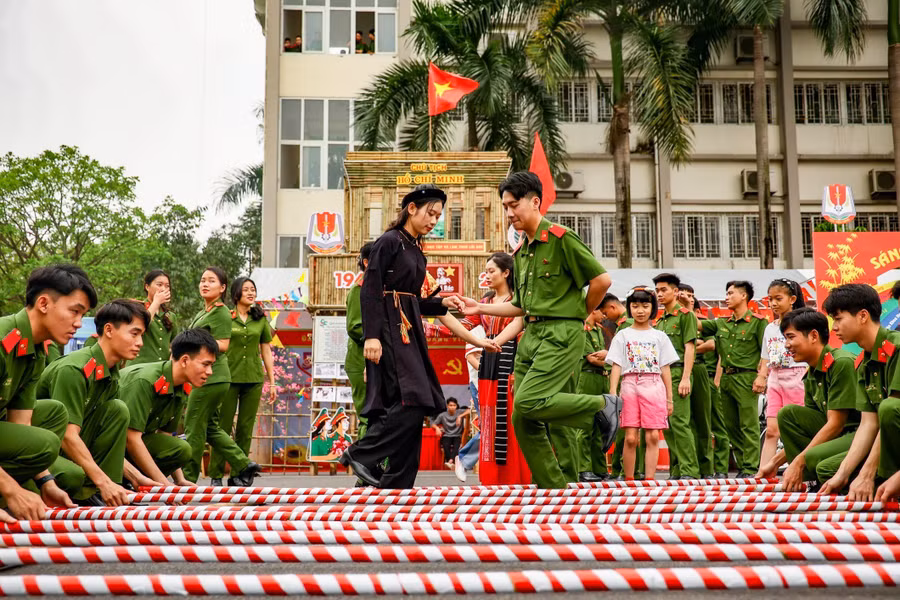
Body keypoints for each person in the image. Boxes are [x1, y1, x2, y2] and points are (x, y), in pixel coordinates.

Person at [457, 172, 617, 489]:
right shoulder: (522, 253)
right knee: (522, 417)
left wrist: (578, 314)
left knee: (529, 402)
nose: (509, 213)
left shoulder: (560, 239)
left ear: (535, 201)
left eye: (514, 205)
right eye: (505, 207)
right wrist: (480, 308)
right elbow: (520, 305)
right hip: (531, 335)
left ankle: (603, 406)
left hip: (560, 334)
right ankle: (553, 488)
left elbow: (601, 281)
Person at [337, 185, 467, 489]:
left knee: (415, 403)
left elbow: (414, 301)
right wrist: (372, 336)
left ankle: (397, 483)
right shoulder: (389, 241)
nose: (434, 221)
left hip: (407, 328)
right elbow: (371, 288)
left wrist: (443, 302)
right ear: (412, 208)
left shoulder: (416, 248)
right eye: (430, 213)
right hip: (388, 329)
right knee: (413, 399)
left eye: (438, 216)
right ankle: (362, 455)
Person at [0, 265, 96, 522]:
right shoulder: (2, 340)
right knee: (45, 444)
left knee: (54, 414)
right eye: (74, 311)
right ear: (43, 303)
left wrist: (46, 482)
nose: (78, 323)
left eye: (83, 314)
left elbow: (21, 424)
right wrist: (11, 491)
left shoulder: (35, 351)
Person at [40, 300, 149, 506]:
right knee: (72, 476)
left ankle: (104, 493)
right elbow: (67, 436)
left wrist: (136, 478)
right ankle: (86, 492)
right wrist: (102, 481)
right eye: (134, 334)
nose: (140, 343)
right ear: (108, 330)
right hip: (42, 452)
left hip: (67, 448)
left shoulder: (110, 373)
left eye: (142, 335)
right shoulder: (74, 369)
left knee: (117, 409)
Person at [436, 253, 528, 485]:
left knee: (512, 422)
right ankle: (492, 477)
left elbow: (524, 338)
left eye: (491, 271)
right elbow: (460, 328)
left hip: (513, 365)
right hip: (488, 368)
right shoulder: (484, 305)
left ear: (506, 273)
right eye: (485, 271)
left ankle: (514, 477)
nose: (486, 275)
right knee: (489, 423)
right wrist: (430, 326)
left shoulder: (519, 301)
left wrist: (519, 371)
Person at [754, 308, 860, 488]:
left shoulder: (841, 363)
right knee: (788, 414)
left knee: (822, 466)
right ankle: (809, 479)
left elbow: (835, 424)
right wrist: (775, 462)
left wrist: (798, 462)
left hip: (857, 435)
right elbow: (815, 423)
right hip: (839, 436)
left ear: (813, 336)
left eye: (790, 337)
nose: (786, 345)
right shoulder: (812, 371)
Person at [818, 284, 900, 500]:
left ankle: (884, 482)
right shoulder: (863, 362)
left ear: (863, 316)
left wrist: (866, 473)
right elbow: (869, 423)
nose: (834, 327)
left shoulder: (897, 348)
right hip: (888, 442)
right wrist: (843, 474)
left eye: (838, 319)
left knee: (890, 407)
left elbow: (891, 414)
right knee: (829, 471)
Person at [182, 267, 260, 486]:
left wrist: (192, 342)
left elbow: (224, 345)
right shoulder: (204, 312)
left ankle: (188, 479)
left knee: (194, 426)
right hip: (208, 376)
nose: (205, 284)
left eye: (211, 281)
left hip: (211, 375)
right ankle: (243, 463)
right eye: (202, 280)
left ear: (223, 287)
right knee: (211, 428)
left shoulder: (221, 312)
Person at [120, 330, 216, 488]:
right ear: (185, 360)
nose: (210, 372)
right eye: (205, 364)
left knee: (180, 449)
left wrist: (179, 480)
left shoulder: (180, 388)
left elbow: (164, 437)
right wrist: (164, 486)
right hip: (104, 445)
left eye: (211, 365)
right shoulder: (145, 381)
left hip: (127, 446)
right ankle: (121, 482)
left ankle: (131, 482)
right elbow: (131, 438)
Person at [207, 277, 275, 487]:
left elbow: (266, 350)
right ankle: (216, 474)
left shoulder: (260, 318)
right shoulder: (226, 316)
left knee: (246, 428)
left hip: (253, 378)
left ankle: (240, 473)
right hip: (229, 378)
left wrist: (272, 381)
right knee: (223, 427)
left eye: (253, 289)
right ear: (236, 293)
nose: (250, 293)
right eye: (246, 289)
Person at [606, 286, 677, 481]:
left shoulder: (659, 336)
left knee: (653, 436)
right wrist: (613, 394)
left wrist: (669, 399)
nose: (640, 310)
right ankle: (629, 480)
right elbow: (617, 366)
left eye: (645, 306)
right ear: (629, 308)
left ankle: (650, 480)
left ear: (652, 307)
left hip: (653, 385)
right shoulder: (622, 335)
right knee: (630, 437)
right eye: (635, 306)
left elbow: (665, 368)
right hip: (629, 385)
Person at [699, 281, 767, 477]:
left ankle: (751, 467)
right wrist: (684, 305)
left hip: (746, 377)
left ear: (744, 296)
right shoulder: (722, 323)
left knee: (749, 424)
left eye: (730, 293)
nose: (726, 297)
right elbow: (698, 324)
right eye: (726, 293)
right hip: (727, 378)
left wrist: (761, 376)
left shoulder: (758, 322)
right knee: (730, 425)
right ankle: (743, 463)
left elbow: (766, 351)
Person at [652, 273, 699, 480]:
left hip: (679, 371)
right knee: (668, 425)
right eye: (657, 291)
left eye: (664, 290)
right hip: (662, 375)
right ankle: (677, 469)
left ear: (675, 291)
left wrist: (686, 377)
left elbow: (690, 347)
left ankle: (690, 471)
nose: (660, 294)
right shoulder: (660, 319)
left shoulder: (685, 315)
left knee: (680, 423)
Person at [758, 279, 807, 469]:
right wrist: (762, 376)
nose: (773, 303)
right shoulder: (770, 328)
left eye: (778, 298)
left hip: (797, 376)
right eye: (770, 299)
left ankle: (800, 470)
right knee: (771, 430)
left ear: (792, 299)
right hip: (775, 378)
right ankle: (763, 474)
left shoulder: (802, 324)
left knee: (796, 430)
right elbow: (765, 356)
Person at [573, 302, 613, 482]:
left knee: (600, 425)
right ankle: (584, 468)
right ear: (593, 310)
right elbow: (592, 358)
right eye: (601, 311)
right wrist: (614, 360)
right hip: (587, 378)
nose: (604, 315)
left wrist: (606, 356)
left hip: (601, 378)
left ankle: (599, 468)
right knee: (585, 425)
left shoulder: (598, 330)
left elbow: (600, 358)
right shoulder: (583, 329)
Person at [684, 290, 719, 478]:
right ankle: (685, 469)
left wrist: (689, 346)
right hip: (678, 369)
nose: (686, 299)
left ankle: (706, 469)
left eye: (690, 296)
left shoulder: (700, 321)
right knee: (682, 422)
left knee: (703, 421)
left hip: (699, 369)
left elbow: (711, 344)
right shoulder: (666, 320)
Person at [346, 243, 374, 440]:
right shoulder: (359, 288)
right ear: (366, 262)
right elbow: (355, 327)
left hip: (375, 359)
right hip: (360, 360)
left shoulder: (376, 288)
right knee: (368, 415)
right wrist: (378, 338)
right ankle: (366, 462)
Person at [132, 270, 177, 366]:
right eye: (159, 285)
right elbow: (140, 325)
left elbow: (175, 344)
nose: (163, 289)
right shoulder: (136, 307)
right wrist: (156, 302)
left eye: (167, 286)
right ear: (147, 287)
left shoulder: (170, 316)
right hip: (138, 368)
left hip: (161, 370)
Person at [432, 398, 464, 469]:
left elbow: (469, 411)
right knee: (445, 445)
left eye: (454, 405)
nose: (452, 407)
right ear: (447, 406)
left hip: (457, 435)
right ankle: (451, 461)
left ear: (456, 406)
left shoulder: (459, 412)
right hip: (447, 435)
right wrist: (437, 428)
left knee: (457, 446)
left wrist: (460, 416)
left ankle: (450, 461)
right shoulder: (442, 415)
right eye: (450, 405)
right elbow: (433, 424)